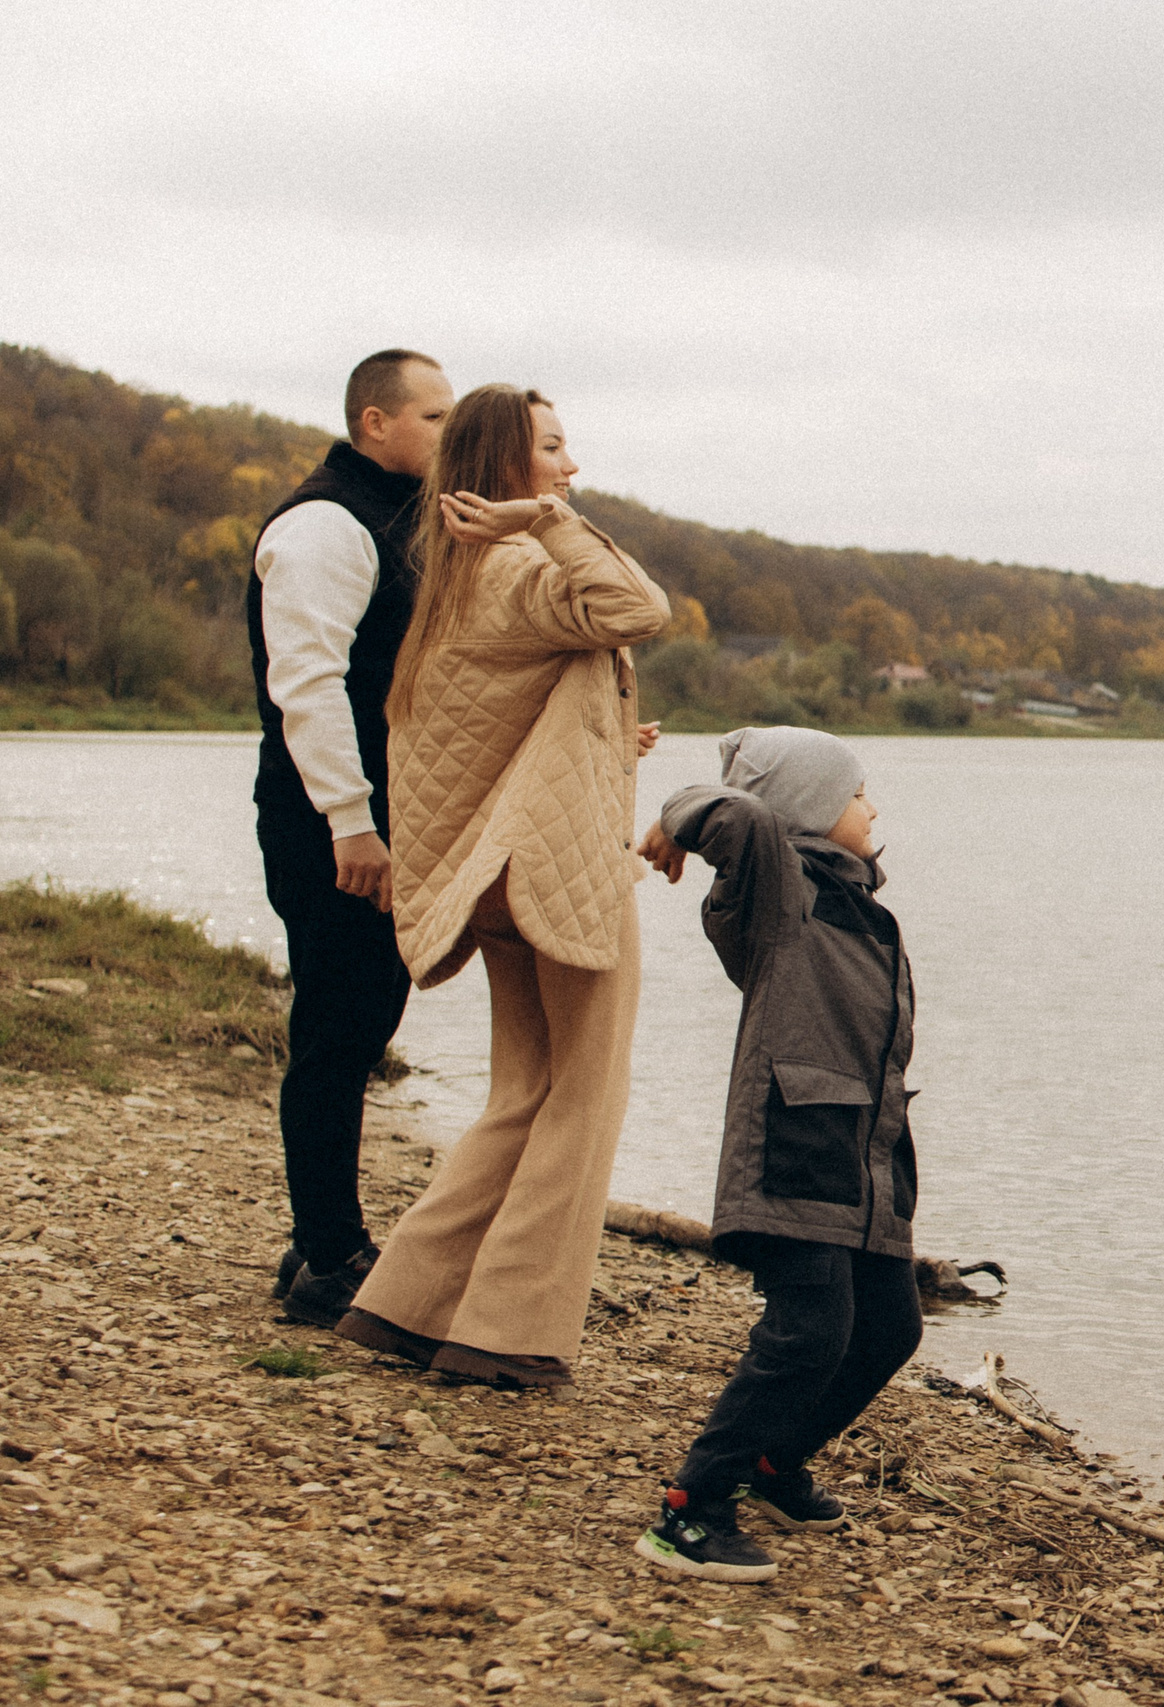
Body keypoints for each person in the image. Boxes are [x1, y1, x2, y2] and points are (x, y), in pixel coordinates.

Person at [331, 383, 669, 1389]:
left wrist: (612, 735)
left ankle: (404, 1304)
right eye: (553, 452)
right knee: (583, 1095)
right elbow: (639, 608)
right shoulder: (522, 565)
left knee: (524, 1090)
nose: (570, 469)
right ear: (507, 471)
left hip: (501, 872)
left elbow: (485, 728)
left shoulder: (455, 579)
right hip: (552, 872)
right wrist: (552, 523)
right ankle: (508, 1332)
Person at [630, 727, 924, 1582]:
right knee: (810, 1331)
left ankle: (772, 1464)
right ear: (803, 809)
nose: (871, 805)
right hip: (793, 1150)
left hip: (863, 1163)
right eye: (856, 790)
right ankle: (691, 1506)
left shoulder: (859, 904)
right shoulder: (777, 893)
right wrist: (675, 822)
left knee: (890, 1328)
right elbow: (727, 812)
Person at [251, 349, 455, 1327]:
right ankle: (331, 1253)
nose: (447, 434)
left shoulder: (395, 520)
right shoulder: (326, 523)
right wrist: (352, 822)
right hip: (329, 823)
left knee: (361, 1017)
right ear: (374, 422)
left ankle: (317, 1238)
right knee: (339, 1028)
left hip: (368, 819)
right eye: (433, 417)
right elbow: (309, 684)